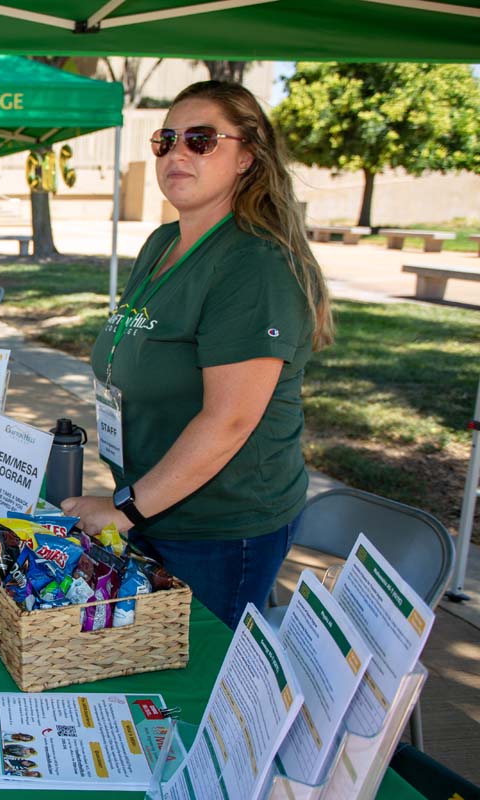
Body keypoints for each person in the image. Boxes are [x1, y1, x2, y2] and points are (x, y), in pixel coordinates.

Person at [61, 80, 334, 628]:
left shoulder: (254, 265)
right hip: (151, 506)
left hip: (220, 527)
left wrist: (124, 510)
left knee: (202, 694)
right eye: (165, 139)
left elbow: (228, 420)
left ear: (247, 158)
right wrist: (130, 502)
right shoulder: (162, 243)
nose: (176, 153)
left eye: (201, 139)